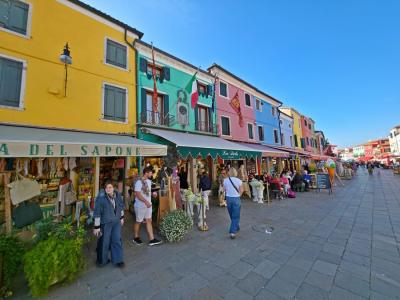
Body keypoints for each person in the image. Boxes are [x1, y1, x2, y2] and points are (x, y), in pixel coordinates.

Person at [93, 181, 125, 268]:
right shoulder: (101, 198)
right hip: (105, 222)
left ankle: (118, 260)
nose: (108, 189)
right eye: (106, 188)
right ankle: (102, 261)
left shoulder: (117, 195)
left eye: (110, 187)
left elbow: (121, 206)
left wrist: (122, 218)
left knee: (117, 240)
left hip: (116, 222)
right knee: (104, 242)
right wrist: (97, 227)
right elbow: (97, 213)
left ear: (113, 188)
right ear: (104, 189)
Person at [133, 167, 162, 246]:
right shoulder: (139, 182)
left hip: (148, 205)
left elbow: (148, 192)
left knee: (149, 221)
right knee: (138, 221)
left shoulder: (149, 181)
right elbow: (138, 194)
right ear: (146, 173)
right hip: (140, 205)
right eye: (150, 173)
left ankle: (152, 239)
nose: (152, 174)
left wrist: (153, 194)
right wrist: (146, 201)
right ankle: (136, 237)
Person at [223, 167, 243, 239]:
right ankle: (233, 231)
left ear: (229, 173)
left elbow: (224, 189)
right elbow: (241, 190)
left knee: (231, 213)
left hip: (228, 198)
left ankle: (233, 229)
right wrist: (238, 195)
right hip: (236, 198)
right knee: (236, 214)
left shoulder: (225, 180)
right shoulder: (239, 180)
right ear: (235, 172)